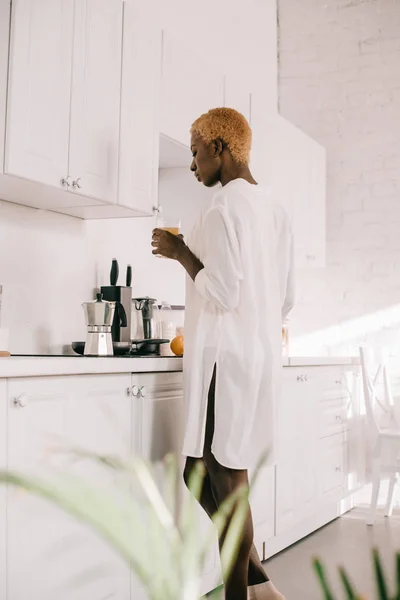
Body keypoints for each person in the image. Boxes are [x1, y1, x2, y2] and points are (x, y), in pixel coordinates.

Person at [152, 107, 294, 600]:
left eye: (194, 152)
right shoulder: (274, 209)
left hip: (223, 362)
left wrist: (180, 252)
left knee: (222, 477)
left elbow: (224, 293)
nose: (192, 166)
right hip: (257, 358)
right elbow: (287, 297)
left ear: (219, 147)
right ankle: (259, 584)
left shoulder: (221, 209)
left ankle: (242, 595)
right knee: (210, 471)